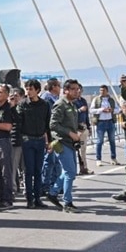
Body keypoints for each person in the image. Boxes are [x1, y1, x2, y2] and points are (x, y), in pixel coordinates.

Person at [46, 79, 84, 213]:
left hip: (70, 143)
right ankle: (67, 202)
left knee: (68, 172)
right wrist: (70, 133)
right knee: (70, 172)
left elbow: (69, 122)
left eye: (77, 89)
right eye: (73, 89)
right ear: (66, 90)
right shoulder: (60, 104)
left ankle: (53, 192)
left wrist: (79, 128)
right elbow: (53, 124)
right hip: (62, 142)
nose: (76, 91)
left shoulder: (72, 105)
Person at [15, 80, 51, 208]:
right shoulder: (22, 104)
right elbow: (18, 123)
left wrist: (49, 142)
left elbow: (48, 125)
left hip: (40, 140)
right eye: (27, 89)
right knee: (28, 170)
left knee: (38, 170)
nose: (28, 91)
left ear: (37, 90)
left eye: (30, 89)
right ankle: (29, 199)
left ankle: (37, 198)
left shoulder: (45, 105)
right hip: (27, 140)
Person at [92, 84, 120, 167]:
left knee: (112, 141)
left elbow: (118, 109)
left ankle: (113, 158)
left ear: (107, 91)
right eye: (100, 90)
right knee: (99, 141)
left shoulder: (111, 100)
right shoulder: (96, 99)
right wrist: (101, 110)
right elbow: (91, 110)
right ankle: (98, 159)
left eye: (103, 90)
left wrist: (112, 110)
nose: (101, 92)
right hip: (101, 122)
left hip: (110, 122)